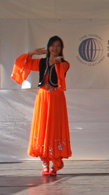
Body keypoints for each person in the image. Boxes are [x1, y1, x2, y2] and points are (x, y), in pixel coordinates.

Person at [11, 36, 71, 176]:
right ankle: (45, 163)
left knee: (54, 128)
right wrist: (31, 53)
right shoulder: (41, 62)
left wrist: (58, 63)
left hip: (56, 98)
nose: (55, 48)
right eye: (52, 45)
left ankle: (56, 162)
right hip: (43, 97)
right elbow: (22, 64)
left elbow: (61, 73)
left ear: (61, 49)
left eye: (58, 46)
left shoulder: (64, 63)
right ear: (48, 47)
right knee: (42, 128)